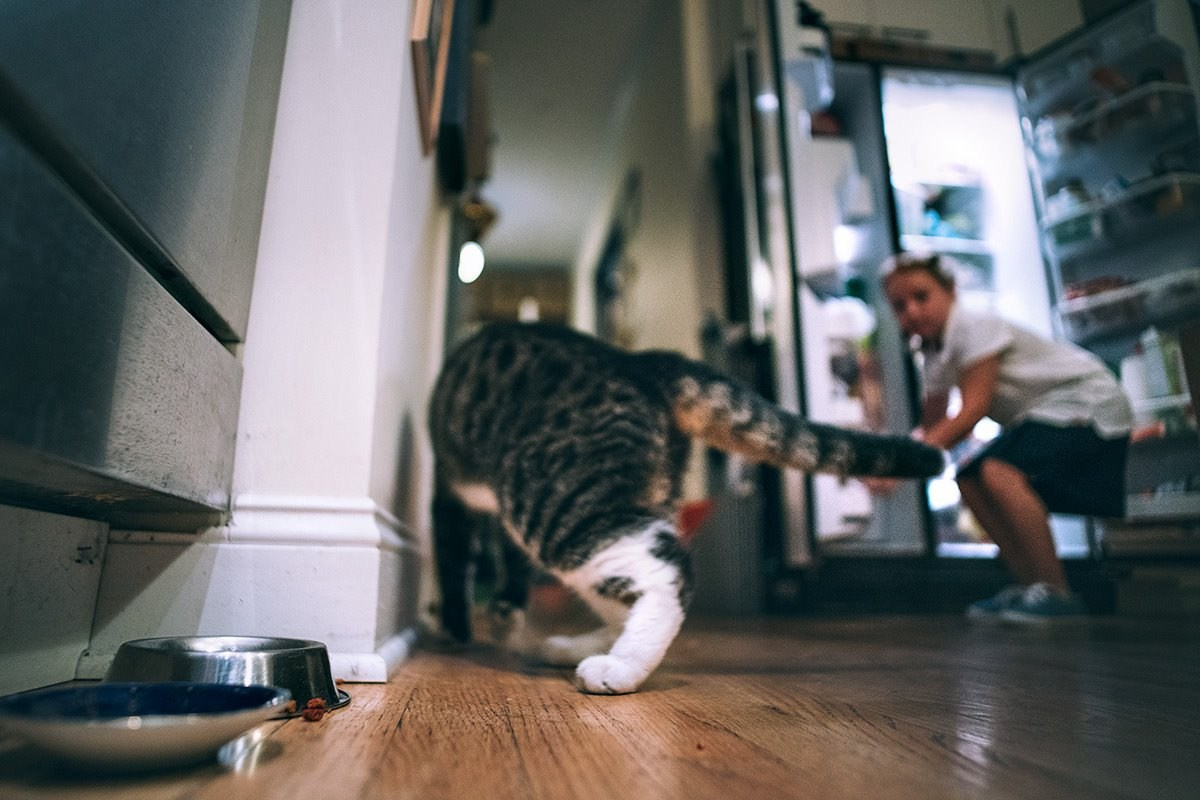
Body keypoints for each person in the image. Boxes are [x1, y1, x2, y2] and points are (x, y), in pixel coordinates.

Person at [877, 252, 1133, 623]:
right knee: (968, 476)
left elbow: (971, 411)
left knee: (998, 469)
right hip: (1045, 414)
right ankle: (1032, 586)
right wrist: (888, 462)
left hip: (1087, 402)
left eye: (921, 296)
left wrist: (897, 467)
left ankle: (1058, 593)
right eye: (900, 306)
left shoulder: (975, 327)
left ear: (950, 291)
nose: (912, 312)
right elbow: (932, 428)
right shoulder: (933, 357)